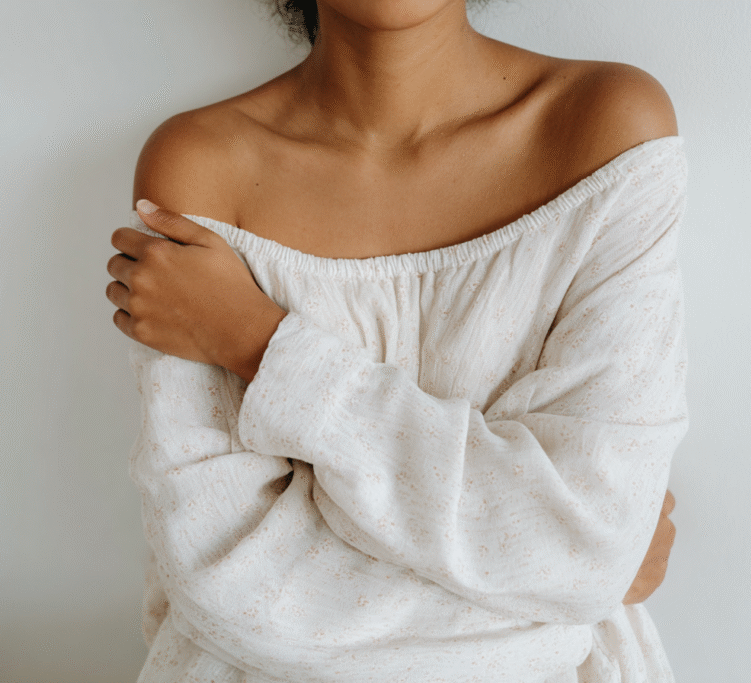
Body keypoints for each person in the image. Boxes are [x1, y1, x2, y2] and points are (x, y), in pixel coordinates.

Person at [106, 0, 684, 680]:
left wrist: (259, 343)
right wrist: (560, 577)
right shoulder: (200, 165)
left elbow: (592, 544)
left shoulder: (608, 130)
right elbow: (228, 579)